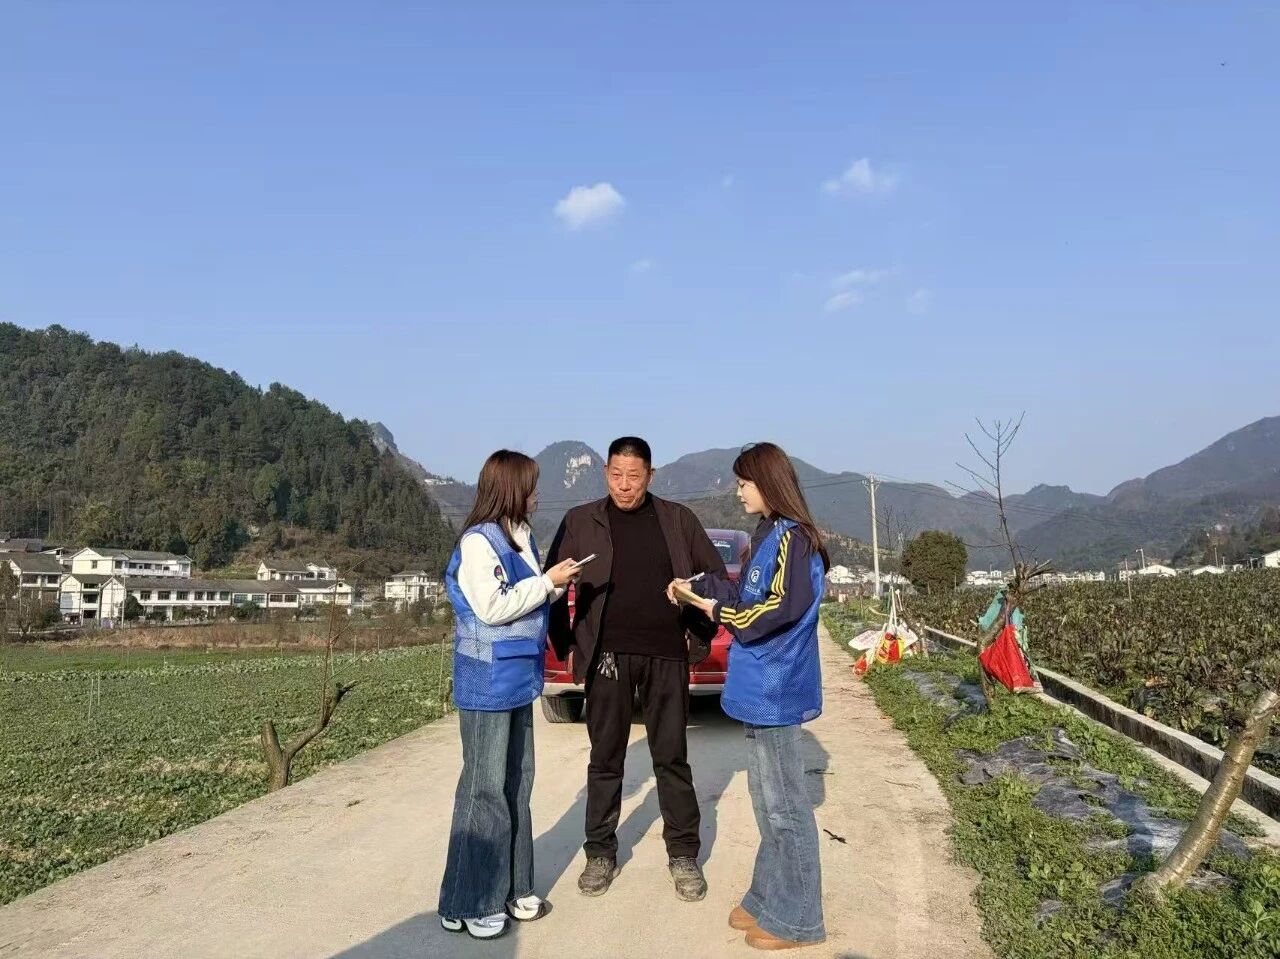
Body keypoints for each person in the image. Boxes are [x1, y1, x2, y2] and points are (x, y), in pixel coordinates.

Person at [545, 436, 726, 901]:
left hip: (666, 653)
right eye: (616, 475)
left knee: (671, 757)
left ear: (650, 475)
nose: (624, 486)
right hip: (607, 655)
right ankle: (600, 853)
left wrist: (696, 626)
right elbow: (551, 585)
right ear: (605, 472)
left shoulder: (677, 519)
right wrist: (566, 643)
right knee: (605, 759)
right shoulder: (580, 520)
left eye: (634, 476)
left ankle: (683, 853)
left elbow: (714, 577)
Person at [667, 442, 829, 951]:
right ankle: (766, 899)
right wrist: (698, 588)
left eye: (743, 483)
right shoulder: (767, 535)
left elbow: (777, 610)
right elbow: (745, 592)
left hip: (778, 686)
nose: (738, 492)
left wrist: (717, 613)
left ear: (768, 483)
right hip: (758, 684)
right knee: (767, 803)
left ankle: (799, 918)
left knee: (786, 809)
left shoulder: (795, 540)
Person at [438, 450, 584, 941]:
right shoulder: (479, 542)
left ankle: (514, 887)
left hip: (519, 678)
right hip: (486, 682)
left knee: (517, 784)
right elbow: (494, 607)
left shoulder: (521, 536)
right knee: (484, 790)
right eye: (532, 485)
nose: (538, 494)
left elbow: (529, 599)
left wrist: (555, 585)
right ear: (511, 489)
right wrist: (547, 582)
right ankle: (471, 900)